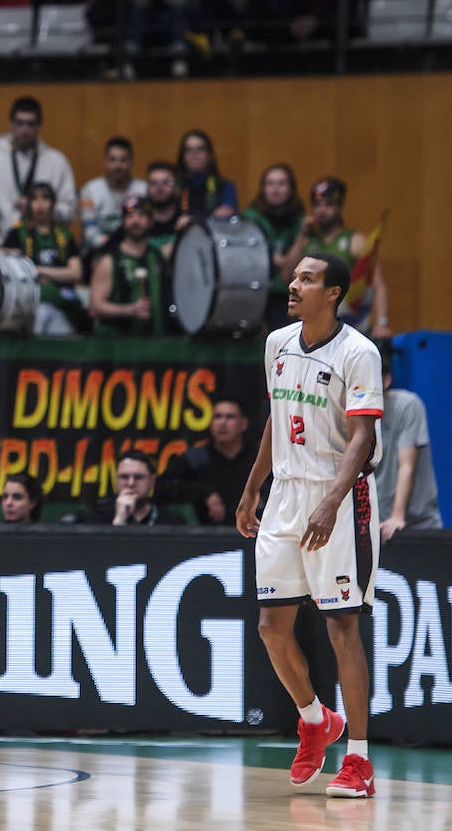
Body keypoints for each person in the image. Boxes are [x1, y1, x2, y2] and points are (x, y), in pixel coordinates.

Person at [236, 252, 383, 800]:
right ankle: (314, 718)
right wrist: (253, 488)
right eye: (294, 276)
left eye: (307, 279)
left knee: (341, 627)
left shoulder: (359, 353)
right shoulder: (277, 343)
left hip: (338, 497)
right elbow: (276, 420)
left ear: (334, 293)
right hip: (284, 497)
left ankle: (360, 761)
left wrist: (332, 501)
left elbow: (363, 437)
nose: (293, 285)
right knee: (271, 629)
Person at [0, 95, 76, 244]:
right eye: (19, 123)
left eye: (30, 124)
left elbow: (70, 213)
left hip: (45, 247)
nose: (24, 130)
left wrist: (43, 209)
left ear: (39, 126)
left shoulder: (57, 162)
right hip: (1, 246)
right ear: (10, 124)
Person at [303, 177, 391, 339]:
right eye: (317, 205)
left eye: (328, 204)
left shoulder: (355, 241)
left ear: (340, 207)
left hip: (351, 325)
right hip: (315, 327)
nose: (322, 210)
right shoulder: (307, 242)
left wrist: (382, 322)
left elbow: (378, 284)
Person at [372, 341, 442, 539]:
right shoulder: (353, 414)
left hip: (416, 524)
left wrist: (397, 516)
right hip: (374, 526)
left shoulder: (408, 405)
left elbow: (406, 466)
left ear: (386, 380)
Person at [159, 395, 258, 525]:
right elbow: (163, 488)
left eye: (230, 417)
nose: (223, 423)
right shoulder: (195, 458)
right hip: (205, 534)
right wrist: (204, 493)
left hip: (254, 532)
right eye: (217, 417)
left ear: (243, 424)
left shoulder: (257, 457)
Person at [2, 181, 84, 335]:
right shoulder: (17, 233)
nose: (40, 204)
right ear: (28, 204)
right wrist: (59, 273)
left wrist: (38, 270)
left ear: (53, 203)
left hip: (61, 304)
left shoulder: (64, 235)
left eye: (45, 198)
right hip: (29, 305)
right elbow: (10, 268)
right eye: (34, 199)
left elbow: (76, 273)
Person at [89, 195, 170, 335]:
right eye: (130, 216)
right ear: (124, 222)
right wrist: (130, 310)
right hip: (117, 348)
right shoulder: (110, 261)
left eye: (141, 215)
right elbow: (95, 308)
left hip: (156, 345)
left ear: (151, 221)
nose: (135, 221)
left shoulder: (159, 256)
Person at [242, 163, 308, 330]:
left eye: (281, 184)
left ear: (291, 189)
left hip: (285, 291)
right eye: (270, 183)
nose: (275, 189)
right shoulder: (250, 218)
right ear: (263, 189)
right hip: (252, 289)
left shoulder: (300, 220)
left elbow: (297, 265)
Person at [79, 136, 147, 255]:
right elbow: (90, 235)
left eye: (123, 160)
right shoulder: (89, 190)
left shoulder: (143, 190)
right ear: (105, 162)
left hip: (136, 251)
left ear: (131, 162)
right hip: (98, 253)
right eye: (112, 160)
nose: (118, 166)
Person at [92, 450, 186, 525]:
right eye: (124, 477)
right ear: (116, 480)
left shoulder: (172, 521)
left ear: (151, 481)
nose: (131, 483)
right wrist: (119, 520)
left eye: (138, 477)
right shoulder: (97, 518)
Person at [176, 130, 238, 221]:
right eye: (188, 150)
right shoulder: (174, 185)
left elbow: (225, 215)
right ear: (182, 155)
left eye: (200, 149)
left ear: (209, 155)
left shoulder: (224, 185)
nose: (194, 154)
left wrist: (193, 220)